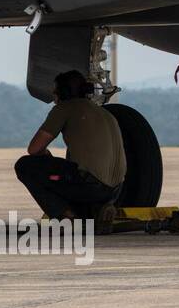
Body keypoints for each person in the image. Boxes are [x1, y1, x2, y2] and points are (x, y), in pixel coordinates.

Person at [14, 71, 126, 229]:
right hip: (115, 190)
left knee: (25, 165)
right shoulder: (105, 113)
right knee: (73, 172)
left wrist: (45, 156)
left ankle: (66, 217)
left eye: (55, 91)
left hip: (90, 186)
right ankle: (97, 209)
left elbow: (34, 149)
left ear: (62, 93)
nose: (53, 95)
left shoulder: (64, 108)